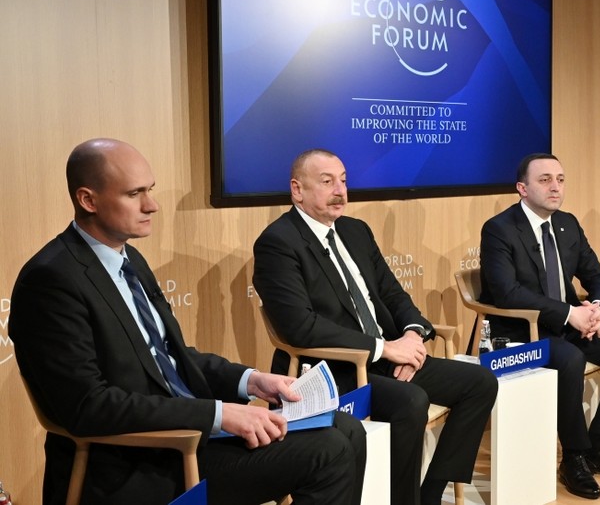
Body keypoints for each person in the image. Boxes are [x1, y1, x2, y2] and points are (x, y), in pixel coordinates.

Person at [10, 138, 366, 505]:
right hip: (136, 460)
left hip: (188, 437)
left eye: (150, 190)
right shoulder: (51, 280)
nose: (152, 205)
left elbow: (170, 358)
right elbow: (89, 406)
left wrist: (251, 381)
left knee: (346, 428)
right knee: (329, 450)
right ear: (88, 200)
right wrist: (218, 414)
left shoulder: (129, 260)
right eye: (134, 194)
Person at [252, 148, 498, 505]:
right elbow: (299, 327)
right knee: (410, 401)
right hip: (332, 369)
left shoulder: (355, 231)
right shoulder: (278, 243)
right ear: (297, 190)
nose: (340, 190)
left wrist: (412, 336)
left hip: (385, 357)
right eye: (327, 182)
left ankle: (429, 494)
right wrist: (385, 349)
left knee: (479, 382)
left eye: (343, 181)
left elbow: (392, 294)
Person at [479, 153, 600, 500]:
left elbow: (598, 277)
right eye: (545, 180)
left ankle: (596, 446)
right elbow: (507, 292)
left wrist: (596, 308)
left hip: (568, 323)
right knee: (571, 358)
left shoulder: (567, 224)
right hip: (520, 331)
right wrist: (569, 314)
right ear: (522, 188)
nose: (555, 186)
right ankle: (573, 457)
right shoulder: (499, 229)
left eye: (560, 179)